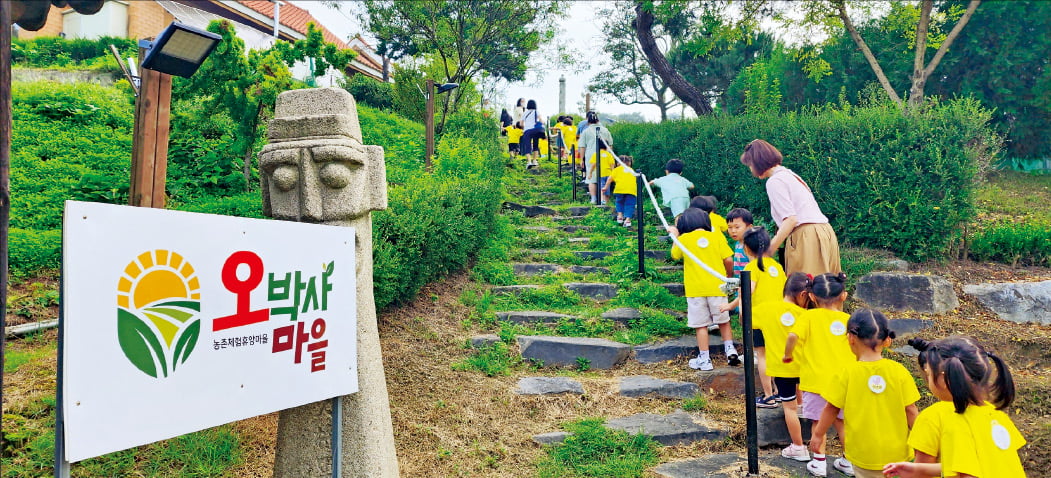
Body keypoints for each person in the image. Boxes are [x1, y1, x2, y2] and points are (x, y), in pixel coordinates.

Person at [883, 337, 1026, 478]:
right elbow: (978, 464)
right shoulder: (997, 416)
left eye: (928, 374)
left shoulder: (943, 419)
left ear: (944, 379)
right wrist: (918, 469)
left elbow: (968, 474)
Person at [809, 309, 920, 478]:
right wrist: (923, 441)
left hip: (863, 453)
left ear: (851, 338)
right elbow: (911, 410)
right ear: (887, 341)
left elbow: (831, 408)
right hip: (897, 453)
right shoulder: (899, 372)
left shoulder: (846, 373)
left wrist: (818, 435)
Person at [782, 272, 854, 477]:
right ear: (843, 296)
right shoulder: (848, 320)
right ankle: (848, 461)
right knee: (842, 422)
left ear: (812, 297)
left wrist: (788, 355)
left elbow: (792, 336)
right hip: (843, 382)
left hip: (815, 381)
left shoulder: (808, 317)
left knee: (817, 422)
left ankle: (819, 462)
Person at [740, 139, 841, 276]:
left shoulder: (775, 181)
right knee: (827, 288)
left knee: (803, 290)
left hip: (806, 235)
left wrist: (768, 251)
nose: (751, 170)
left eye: (750, 165)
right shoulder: (790, 175)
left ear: (758, 162)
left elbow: (790, 220)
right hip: (824, 231)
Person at [720, 226, 786, 405]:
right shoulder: (777, 267)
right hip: (778, 319)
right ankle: (780, 391)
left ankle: (768, 395)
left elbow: (747, 293)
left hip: (758, 319)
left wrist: (739, 310)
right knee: (775, 355)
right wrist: (730, 305)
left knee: (762, 356)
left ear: (746, 248)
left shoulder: (751, 267)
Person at [752, 272, 812, 462]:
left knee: (789, 408)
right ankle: (803, 407)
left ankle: (799, 447)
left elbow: (746, 319)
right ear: (803, 294)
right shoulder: (806, 314)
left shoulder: (765, 309)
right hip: (804, 366)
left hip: (781, 367)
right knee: (800, 397)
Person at [668, 208, 738, 371]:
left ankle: (705, 359)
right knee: (724, 320)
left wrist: (675, 236)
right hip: (717, 287)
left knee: (701, 325)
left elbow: (674, 255)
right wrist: (728, 276)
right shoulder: (715, 236)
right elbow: (728, 258)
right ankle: (730, 350)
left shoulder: (684, 239)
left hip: (695, 289)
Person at [579, 111, 613, 203]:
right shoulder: (605, 130)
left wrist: (581, 159)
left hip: (590, 155)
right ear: (598, 120)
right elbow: (610, 145)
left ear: (588, 121)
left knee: (592, 178)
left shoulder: (586, 131)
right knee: (605, 176)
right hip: (605, 155)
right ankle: (605, 199)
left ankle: (593, 198)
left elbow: (582, 146)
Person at [603, 155, 638, 228]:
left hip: (620, 189)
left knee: (619, 202)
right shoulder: (631, 170)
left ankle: (620, 216)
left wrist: (605, 187)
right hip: (631, 190)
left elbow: (610, 179)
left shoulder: (616, 170)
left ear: (618, 163)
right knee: (630, 205)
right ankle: (628, 220)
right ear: (629, 163)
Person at [726, 208, 754, 277]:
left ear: (749, 227)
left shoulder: (750, 246)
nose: (733, 231)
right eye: (730, 227)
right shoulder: (738, 244)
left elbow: (754, 266)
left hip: (748, 283)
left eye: (737, 227)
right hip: (739, 283)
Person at [586, 139, 616, 205]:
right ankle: (606, 201)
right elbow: (612, 165)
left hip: (600, 174)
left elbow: (593, 164)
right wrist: (613, 174)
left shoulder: (596, 154)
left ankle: (602, 200)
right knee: (607, 188)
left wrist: (590, 173)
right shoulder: (609, 154)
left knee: (602, 187)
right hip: (608, 174)